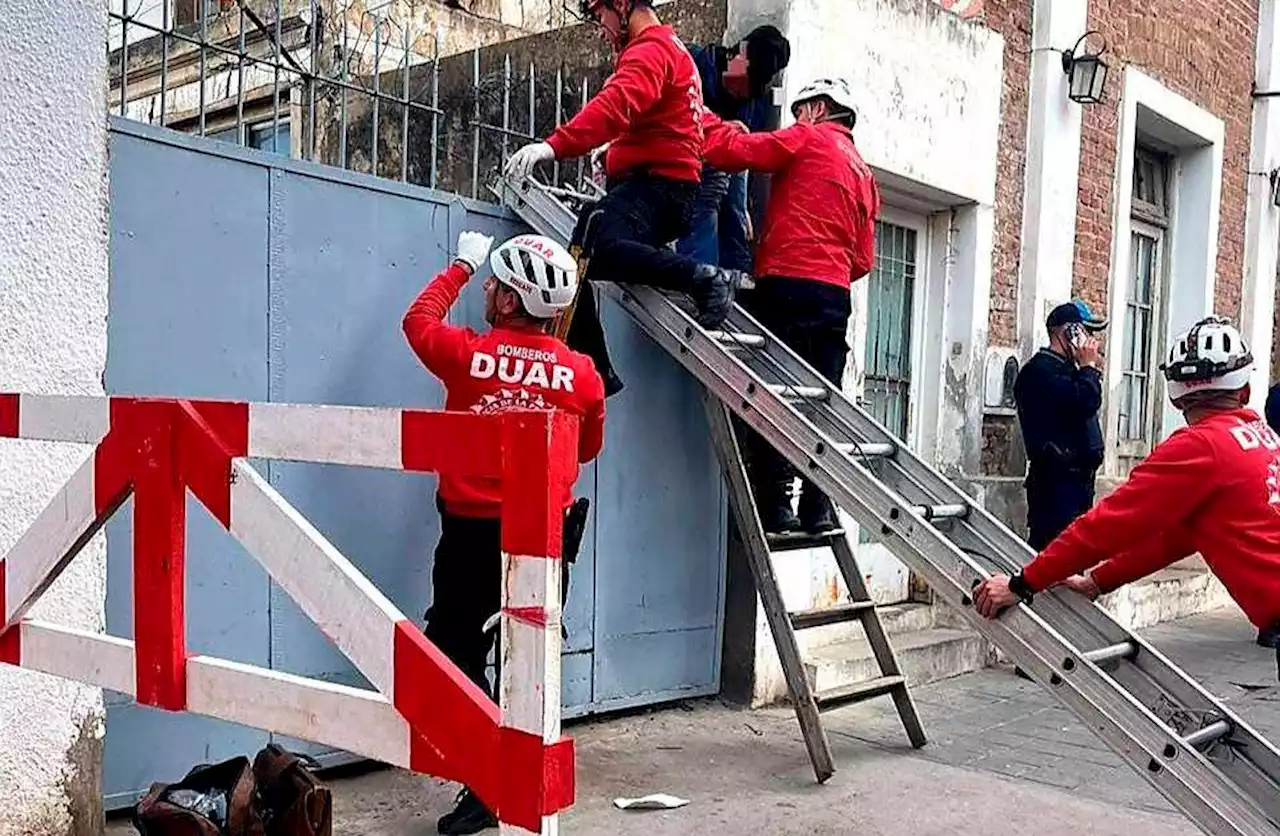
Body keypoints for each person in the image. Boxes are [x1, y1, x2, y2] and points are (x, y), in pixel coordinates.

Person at [401, 230, 606, 834]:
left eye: (494, 283)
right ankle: (504, 786)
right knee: (528, 665)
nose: (486, 289)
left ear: (513, 302)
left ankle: (490, 784)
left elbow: (417, 322)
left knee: (459, 657)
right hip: (544, 540)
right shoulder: (585, 376)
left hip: (468, 538)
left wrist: (461, 263)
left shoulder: (469, 355)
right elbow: (588, 447)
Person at [974, 316, 1280, 677]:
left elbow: (1107, 526)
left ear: (1177, 396)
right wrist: (1098, 582)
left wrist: (1020, 584)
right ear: (1243, 390)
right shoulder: (1262, 438)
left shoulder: (1200, 447)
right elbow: (1177, 538)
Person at [503, 0, 750, 397]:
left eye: (600, 14)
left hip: (658, 187)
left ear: (620, 5)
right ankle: (596, 369)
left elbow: (616, 106)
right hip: (664, 186)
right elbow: (664, 120)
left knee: (593, 251)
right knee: (585, 235)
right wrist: (614, 151)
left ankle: (703, 278)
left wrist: (552, 146)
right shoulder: (674, 50)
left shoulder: (650, 49)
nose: (600, 26)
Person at [702, 77, 879, 534]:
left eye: (801, 109)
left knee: (774, 395)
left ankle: (775, 508)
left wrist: (711, 126)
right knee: (820, 405)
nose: (797, 117)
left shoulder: (807, 137)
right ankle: (818, 509)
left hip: (787, 284)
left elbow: (739, 154)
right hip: (834, 297)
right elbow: (863, 259)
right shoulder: (862, 171)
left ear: (818, 108)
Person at [676, 24, 791, 271]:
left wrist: (743, 209)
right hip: (680, 165)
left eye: (754, 88)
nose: (744, 93)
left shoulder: (751, 102)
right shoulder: (690, 64)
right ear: (737, 56)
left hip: (724, 178)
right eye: (746, 82)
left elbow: (745, 155)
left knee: (735, 226)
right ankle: (702, 279)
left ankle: (734, 279)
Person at [1013, 300, 1109, 550]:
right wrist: (1088, 368)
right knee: (1053, 553)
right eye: (1087, 331)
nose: (1092, 340)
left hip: (1078, 483)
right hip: (1056, 484)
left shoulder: (1068, 370)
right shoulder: (1040, 372)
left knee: (1074, 556)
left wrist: (1086, 369)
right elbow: (1085, 401)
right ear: (1069, 332)